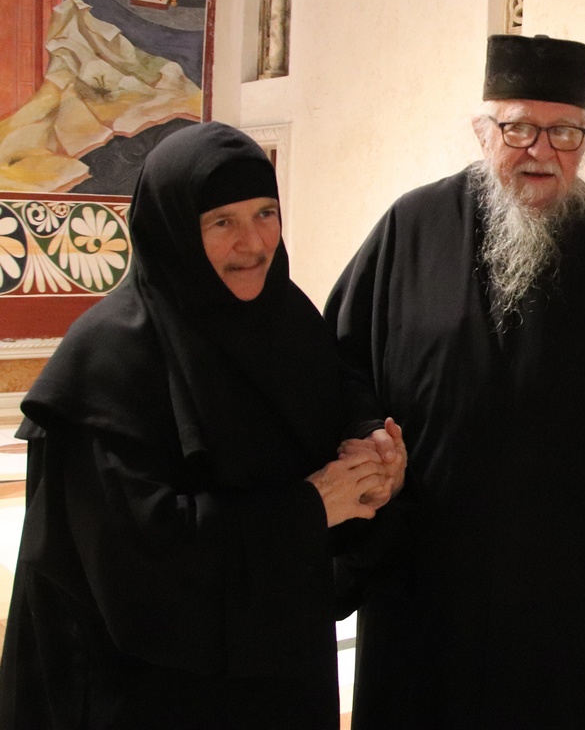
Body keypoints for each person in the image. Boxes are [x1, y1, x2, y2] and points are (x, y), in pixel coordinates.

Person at [327, 33, 585, 729]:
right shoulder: (409, 230)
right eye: (519, 128)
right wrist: (367, 448)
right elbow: (339, 368)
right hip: (423, 577)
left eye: (565, 131)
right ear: (483, 131)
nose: (542, 151)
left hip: (567, 589)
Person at [0, 121, 404, 729]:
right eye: (221, 222)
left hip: (278, 675)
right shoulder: (109, 358)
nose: (253, 243)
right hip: (147, 691)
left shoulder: (288, 322)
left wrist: (374, 462)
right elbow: (134, 565)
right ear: (174, 231)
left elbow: (336, 415)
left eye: (265, 213)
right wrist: (309, 509)